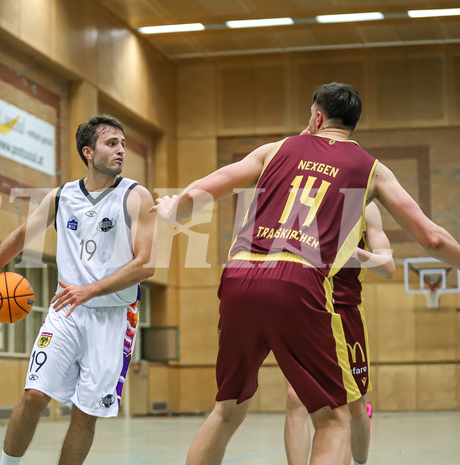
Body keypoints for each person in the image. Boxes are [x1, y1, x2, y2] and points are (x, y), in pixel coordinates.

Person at [151, 82, 460, 465]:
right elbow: (431, 237)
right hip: (297, 282)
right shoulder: (373, 170)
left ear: (316, 117)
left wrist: (172, 211)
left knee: (226, 411)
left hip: (239, 276)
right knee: (333, 420)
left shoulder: (276, 149)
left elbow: (207, 188)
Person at [0, 115, 155, 465]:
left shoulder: (135, 196)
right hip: (66, 311)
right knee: (33, 396)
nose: (121, 150)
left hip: (115, 318)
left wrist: (91, 290)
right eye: (111, 143)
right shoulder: (62, 196)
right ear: (88, 151)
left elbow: (146, 264)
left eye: (123, 144)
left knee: (85, 414)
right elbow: (20, 237)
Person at [284, 202, 394, 465]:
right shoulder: (304, 201)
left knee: (354, 407)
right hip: (308, 309)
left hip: (346, 313)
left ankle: (360, 453)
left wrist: (352, 252)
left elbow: (388, 267)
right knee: (295, 399)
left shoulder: (366, 207)